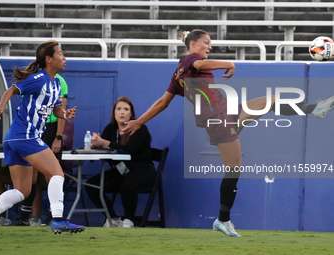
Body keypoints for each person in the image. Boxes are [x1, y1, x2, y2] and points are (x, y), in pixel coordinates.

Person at [122, 29, 334, 237]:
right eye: (206, 42)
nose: (210, 46)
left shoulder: (178, 72)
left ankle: (315, 108)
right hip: (219, 119)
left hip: (227, 111)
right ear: (193, 44)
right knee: (234, 167)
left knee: (271, 101)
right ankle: (222, 220)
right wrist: (230, 63)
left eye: (210, 43)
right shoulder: (190, 61)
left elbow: (162, 102)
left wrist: (139, 122)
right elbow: (200, 65)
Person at [0, 40, 85, 235]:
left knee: (22, 191)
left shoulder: (55, 84)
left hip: (15, 139)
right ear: (49, 59)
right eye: (60, 53)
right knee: (57, 174)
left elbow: (57, 109)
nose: (64, 57)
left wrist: (66, 114)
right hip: (26, 136)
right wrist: (1, 107)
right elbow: (12, 89)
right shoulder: (39, 79)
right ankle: (59, 219)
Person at [85, 96, 156, 228]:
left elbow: (128, 149)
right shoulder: (111, 129)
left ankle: (129, 220)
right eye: (118, 109)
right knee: (91, 184)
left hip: (143, 170)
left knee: (128, 184)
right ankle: (112, 218)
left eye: (126, 109)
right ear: (114, 113)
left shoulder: (140, 128)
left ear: (131, 114)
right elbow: (104, 147)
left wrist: (104, 143)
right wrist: (96, 144)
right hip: (121, 170)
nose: (122, 112)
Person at [17, 74, 73, 227]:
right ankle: (24, 216)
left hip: (52, 129)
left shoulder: (60, 81)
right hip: (35, 128)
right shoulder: (35, 79)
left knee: (53, 175)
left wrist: (58, 137)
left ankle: (53, 216)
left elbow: (62, 110)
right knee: (31, 174)